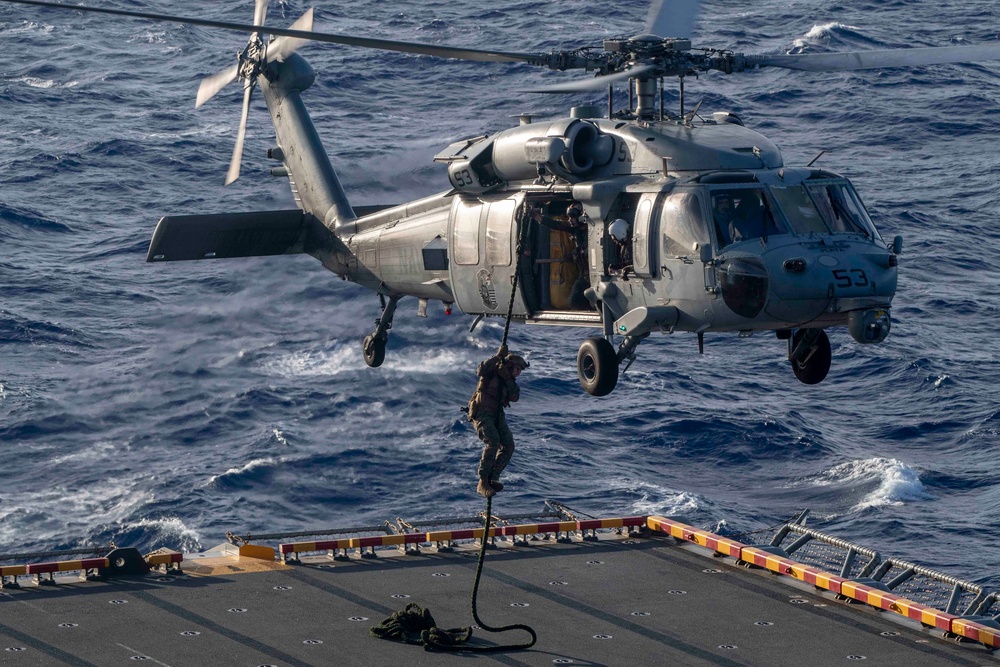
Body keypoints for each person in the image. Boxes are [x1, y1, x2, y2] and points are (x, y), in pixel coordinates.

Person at [467, 344, 529, 498]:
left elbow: (515, 397)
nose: (518, 374)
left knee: (508, 445)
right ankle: (483, 481)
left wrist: (507, 377)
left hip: (497, 414)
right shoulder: (492, 370)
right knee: (493, 441)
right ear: (510, 366)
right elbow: (480, 370)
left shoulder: (509, 380)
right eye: (517, 370)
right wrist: (498, 356)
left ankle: (493, 477)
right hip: (482, 412)